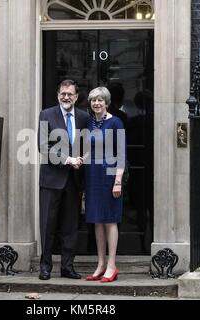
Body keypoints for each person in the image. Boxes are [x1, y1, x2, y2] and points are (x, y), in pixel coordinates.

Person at [37, 79, 89, 280]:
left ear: (76, 97)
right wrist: (68, 160)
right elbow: (43, 147)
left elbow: (88, 144)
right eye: (63, 93)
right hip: (51, 179)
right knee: (48, 225)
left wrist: (83, 159)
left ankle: (67, 266)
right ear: (58, 94)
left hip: (74, 181)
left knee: (70, 226)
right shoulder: (46, 114)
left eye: (70, 94)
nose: (66, 97)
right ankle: (45, 267)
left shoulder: (84, 117)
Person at [84, 87, 125, 283]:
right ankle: (100, 263)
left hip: (109, 174)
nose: (97, 103)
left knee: (110, 219)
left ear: (107, 102)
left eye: (100, 100)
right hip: (92, 174)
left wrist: (118, 181)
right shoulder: (90, 122)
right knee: (97, 220)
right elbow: (88, 150)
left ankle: (112, 265)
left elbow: (122, 154)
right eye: (93, 100)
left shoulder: (115, 122)